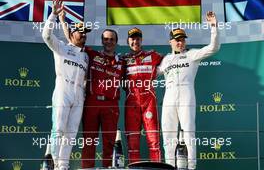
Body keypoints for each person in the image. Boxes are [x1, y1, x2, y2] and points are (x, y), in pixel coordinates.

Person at [58, 13, 125, 168]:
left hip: (111, 104)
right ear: (102, 41)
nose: (109, 42)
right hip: (92, 102)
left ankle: (109, 167)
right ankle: (87, 168)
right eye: (106, 39)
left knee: (109, 140)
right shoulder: (92, 54)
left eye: (112, 39)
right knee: (89, 139)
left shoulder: (123, 61)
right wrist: (62, 20)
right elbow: (72, 39)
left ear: (116, 42)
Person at [158, 11, 220, 169]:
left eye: (182, 40)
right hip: (169, 98)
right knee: (168, 135)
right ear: (170, 42)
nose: (180, 43)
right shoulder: (165, 60)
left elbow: (214, 47)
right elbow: (149, 75)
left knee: (188, 133)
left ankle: (191, 167)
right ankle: (170, 166)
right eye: (177, 40)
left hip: (186, 96)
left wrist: (213, 26)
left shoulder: (192, 55)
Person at [42, 0, 90, 170]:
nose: (83, 35)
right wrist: (54, 15)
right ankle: (53, 163)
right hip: (63, 89)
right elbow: (46, 36)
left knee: (71, 132)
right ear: (72, 34)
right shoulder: (61, 48)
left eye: (85, 33)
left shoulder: (86, 56)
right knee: (59, 128)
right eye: (80, 32)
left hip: (79, 94)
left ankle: (63, 165)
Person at [123, 27, 162, 163]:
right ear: (128, 41)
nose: (135, 41)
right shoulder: (123, 60)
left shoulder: (152, 55)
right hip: (131, 104)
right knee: (132, 145)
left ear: (141, 40)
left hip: (149, 103)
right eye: (132, 39)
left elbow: (170, 61)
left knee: (154, 141)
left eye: (138, 38)